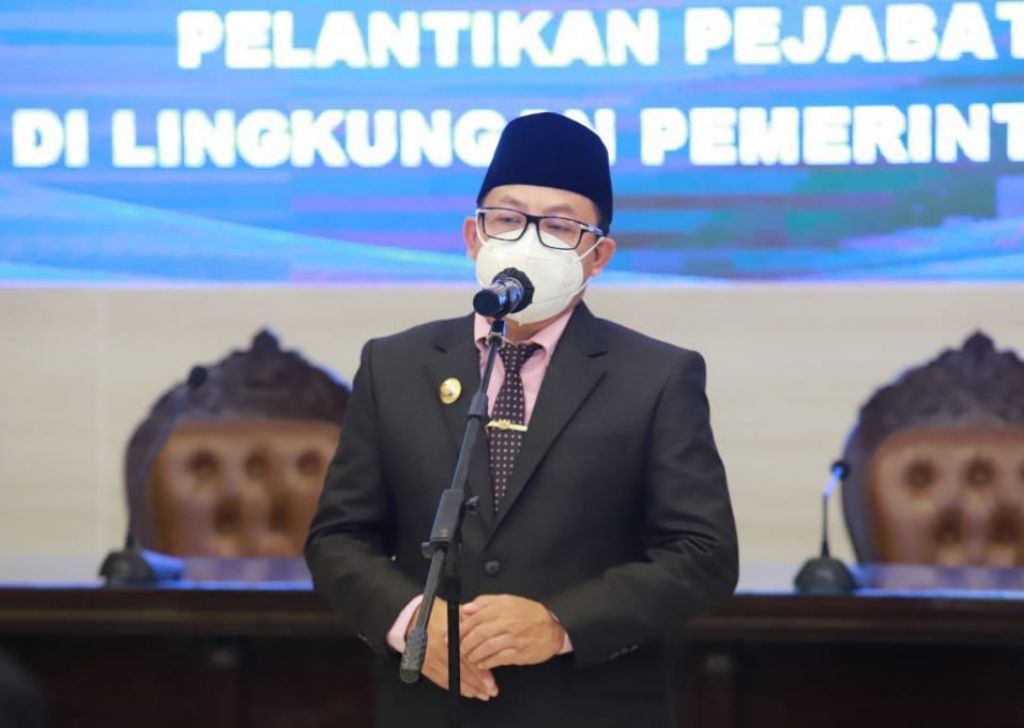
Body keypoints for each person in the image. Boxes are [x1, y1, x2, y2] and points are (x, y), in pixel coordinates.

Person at [306, 111, 738, 728]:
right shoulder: (394, 365)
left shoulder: (657, 377)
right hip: (432, 706)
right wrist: (413, 623)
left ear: (598, 256)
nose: (526, 241)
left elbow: (703, 554)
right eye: (507, 219)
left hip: (591, 706)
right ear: (473, 236)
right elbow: (339, 537)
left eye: (559, 226)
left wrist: (562, 623)